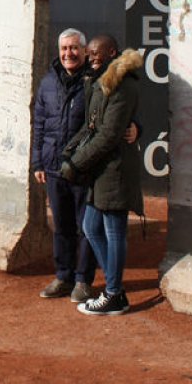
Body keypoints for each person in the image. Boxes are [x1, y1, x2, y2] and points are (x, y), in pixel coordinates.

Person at [61, 35, 145, 316]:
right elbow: (91, 126)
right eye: (91, 53)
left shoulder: (122, 83)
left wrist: (77, 164)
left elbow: (109, 134)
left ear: (113, 52)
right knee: (91, 228)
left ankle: (113, 293)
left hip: (115, 170)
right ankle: (115, 289)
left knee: (113, 231)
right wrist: (70, 154)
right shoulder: (98, 80)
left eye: (99, 53)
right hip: (101, 171)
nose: (94, 57)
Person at [30, 28, 97, 303]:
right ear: (59, 52)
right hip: (53, 167)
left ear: (83, 51)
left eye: (74, 48)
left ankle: (83, 281)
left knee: (85, 228)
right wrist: (38, 161)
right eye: (64, 49)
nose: (69, 53)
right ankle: (63, 276)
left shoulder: (95, 81)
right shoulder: (47, 83)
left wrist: (135, 127)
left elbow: (110, 118)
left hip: (83, 169)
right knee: (62, 226)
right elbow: (39, 123)